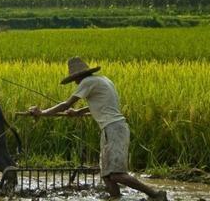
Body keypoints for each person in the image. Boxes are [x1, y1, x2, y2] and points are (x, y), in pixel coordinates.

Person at [28, 57, 168, 200]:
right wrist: (78, 113)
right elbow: (99, 105)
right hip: (110, 129)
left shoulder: (87, 82)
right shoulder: (103, 80)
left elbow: (66, 104)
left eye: (75, 78)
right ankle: (115, 198)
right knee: (106, 175)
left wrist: (42, 113)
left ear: (79, 76)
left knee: (116, 174)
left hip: (114, 128)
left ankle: (155, 194)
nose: (75, 82)